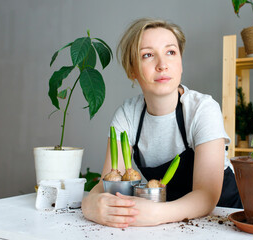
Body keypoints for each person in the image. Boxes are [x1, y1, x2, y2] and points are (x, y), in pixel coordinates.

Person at [81, 18, 241, 228]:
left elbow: (206, 195)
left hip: (220, 220)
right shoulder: (127, 115)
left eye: (171, 52)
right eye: (148, 55)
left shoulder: (203, 109)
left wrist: (156, 214)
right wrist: (91, 205)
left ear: (181, 63)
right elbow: (108, 184)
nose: (162, 65)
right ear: (132, 70)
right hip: (171, 224)